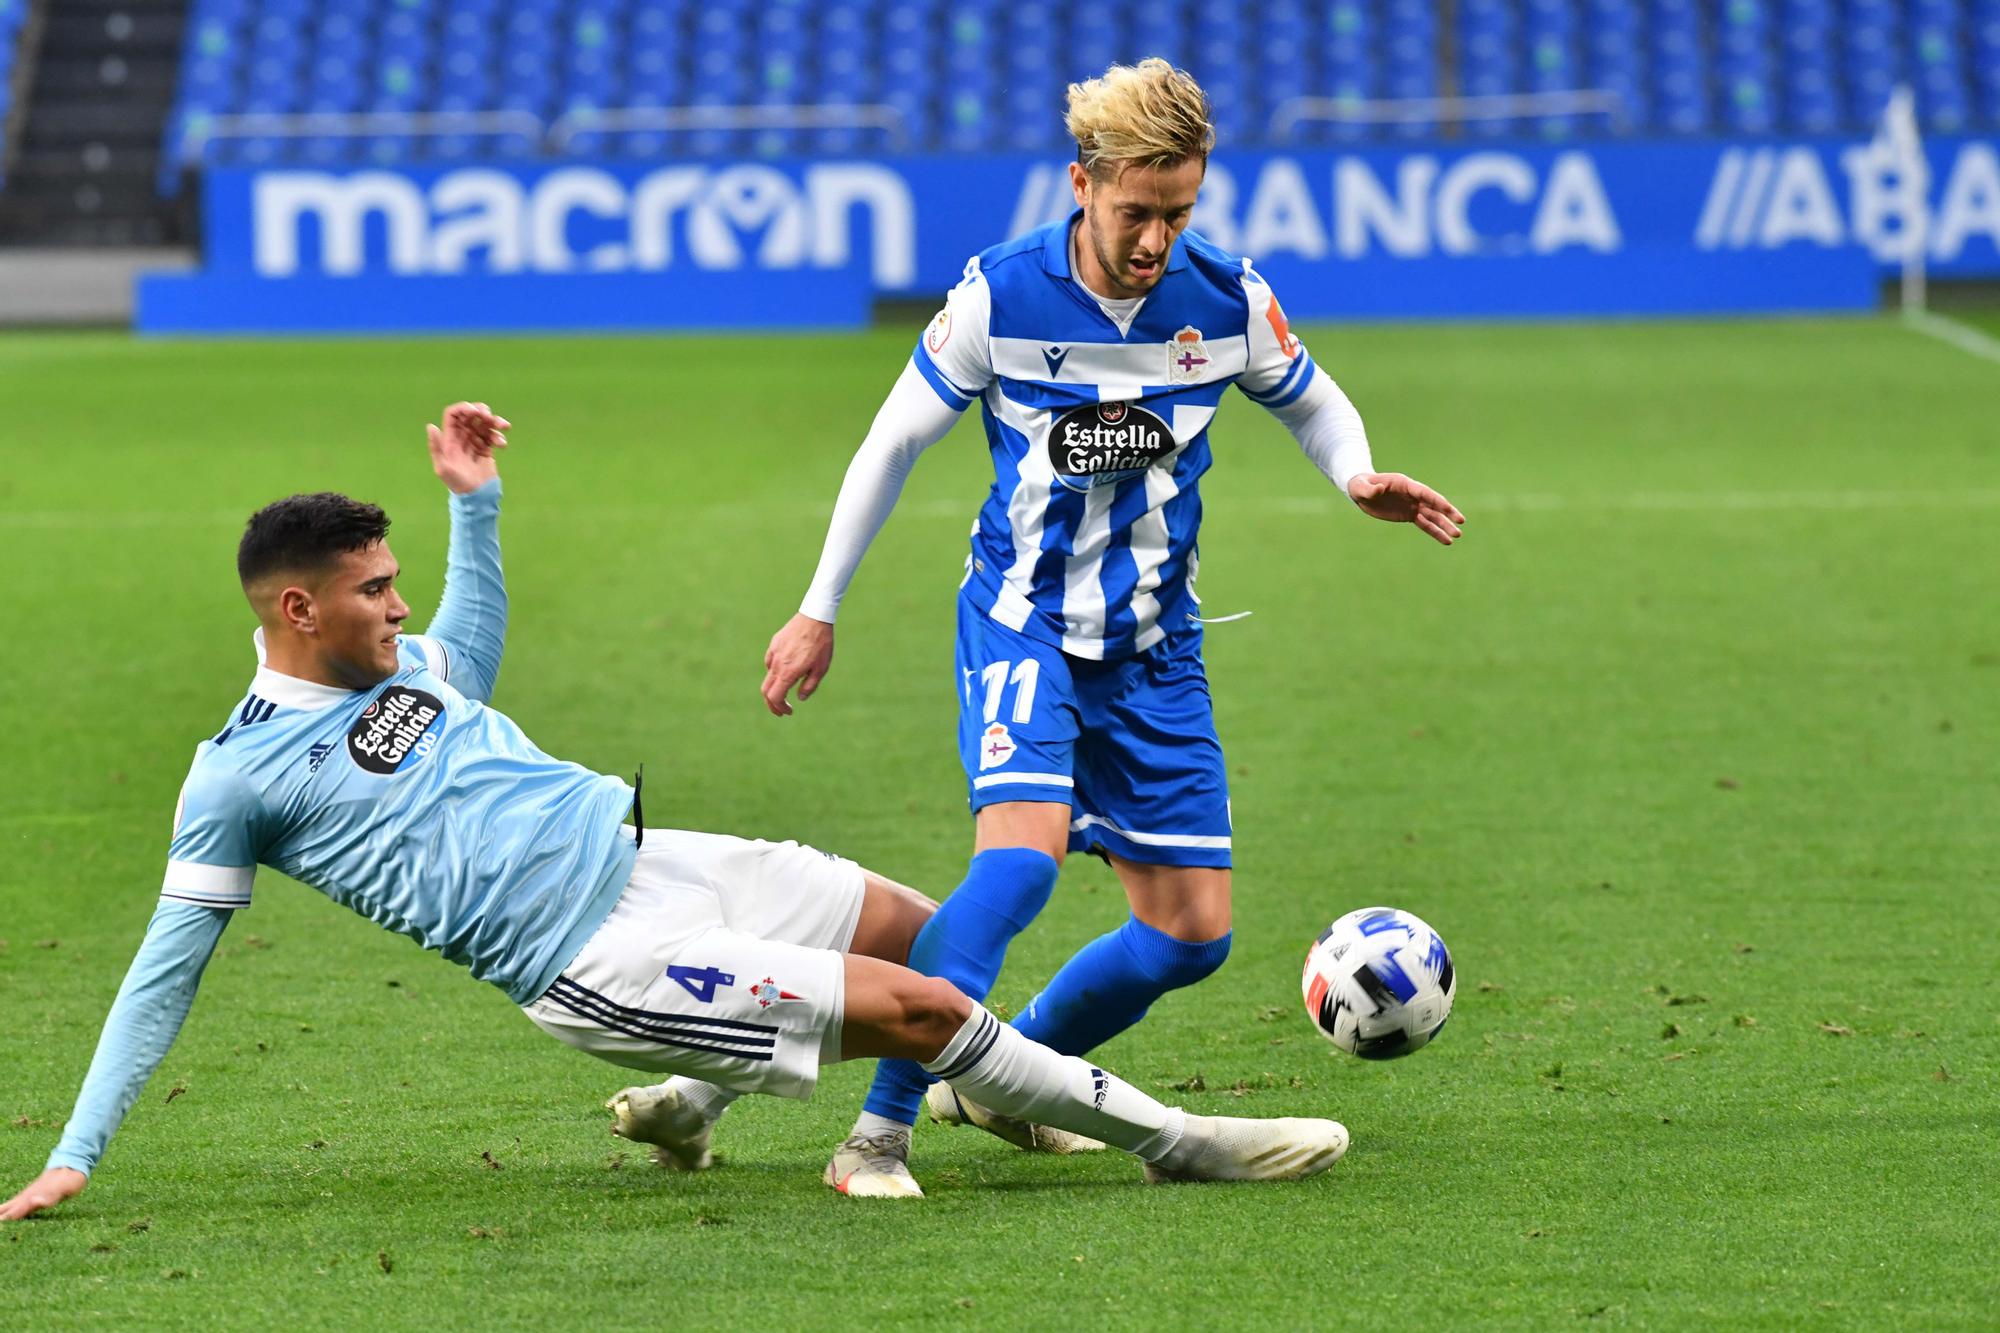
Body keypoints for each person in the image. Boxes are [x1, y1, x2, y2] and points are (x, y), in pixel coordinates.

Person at [0, 402, 1351, 1224]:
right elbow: (160, 978)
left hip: (664, 855)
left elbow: (465, 646)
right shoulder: (236, 774)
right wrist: (73, 1155)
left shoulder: (398, 664)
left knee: (925, 932)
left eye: (397, 578)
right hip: (598, 961)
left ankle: (700, 1104)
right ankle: (1179, 1145)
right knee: (930, 1011)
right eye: (373, 591)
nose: (398, 606)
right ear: (297, 610)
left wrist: (481, 510)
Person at [732, 59, 1467, 1197]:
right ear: (1082, 183)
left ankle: (996, 1075)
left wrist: (1355, 472)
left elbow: (1311, 396)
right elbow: (889, 446)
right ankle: (875, 1136)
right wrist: (816, 606)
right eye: (1136, 212)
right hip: (1022, 623)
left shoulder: (1222, 298)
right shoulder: (1002, 295)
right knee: (1016, 869)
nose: (1155, 241)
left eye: (1178, 213)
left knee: (1189, 934)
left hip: (1156, 647)